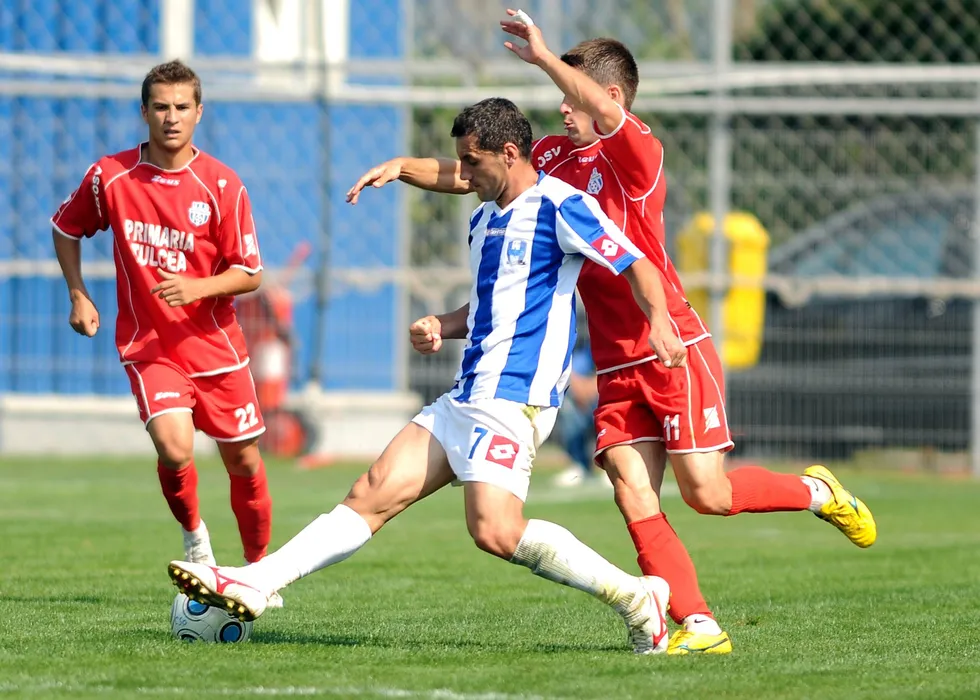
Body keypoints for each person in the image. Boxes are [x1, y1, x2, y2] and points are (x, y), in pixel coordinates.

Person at [343, 10, 877, 655]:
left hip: (670, 343)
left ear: (610, 98)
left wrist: (545, 57)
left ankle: (816, 492)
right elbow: (475, 174)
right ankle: (699, 624)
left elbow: (599, 117)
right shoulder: (552, 158)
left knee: (707, 493)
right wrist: (402, 167)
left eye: (572, 96)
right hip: (615, 362)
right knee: (633, 491)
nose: (562, 108)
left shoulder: (636, 156)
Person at [167, 97, 683, 655]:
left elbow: (635, 262)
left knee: (495, 530)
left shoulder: (561, 205)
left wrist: (659, 322)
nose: (463, 174)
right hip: (468, 392)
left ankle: (637, 598)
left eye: (472, 162)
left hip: (514, 396)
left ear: (509, 154)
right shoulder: (485, 218)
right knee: (371, 492)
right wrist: (444, 323)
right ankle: (257, 581)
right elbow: (491, 305)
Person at [51, 60, 276, 577]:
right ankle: (195, 538)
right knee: (175, 449)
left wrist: (198, 287)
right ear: (144, 112)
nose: (171, 117)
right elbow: (65, 228)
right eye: (160, 107)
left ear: (199, 112)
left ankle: (259, 570)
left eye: (181, 107)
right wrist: (78, 294)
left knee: (243, 461)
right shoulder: (111, 176)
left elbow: (250, 273)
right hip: (150, 345)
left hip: (216, 347)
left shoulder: (222, 185)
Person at [552, 340, 605, 487]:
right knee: (566, 404)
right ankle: (579, 465)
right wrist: (579, 388)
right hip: (584, 400)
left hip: (606, 394)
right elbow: (570, 371)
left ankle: (612, 465)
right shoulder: (584, 348)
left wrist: (596, 386)